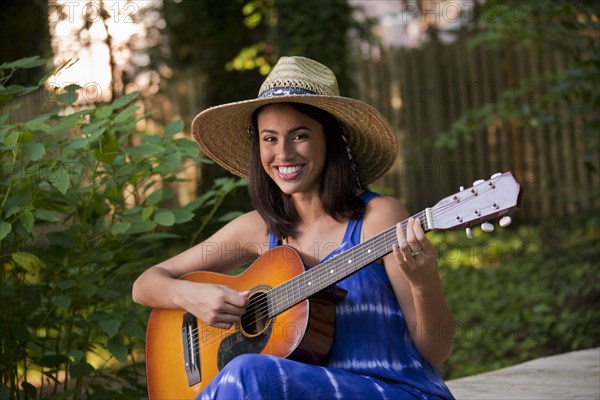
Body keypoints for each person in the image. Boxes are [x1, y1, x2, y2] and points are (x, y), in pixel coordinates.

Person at [132, 56, 455, 399]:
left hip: (398, 391)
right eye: (269, 138)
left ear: (329, 140)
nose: (283, 154)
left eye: (299, 135)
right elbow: (145, 284)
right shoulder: (260, 229)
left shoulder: (378, 217)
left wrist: (425, 283)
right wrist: (191, 295)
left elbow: (435, 352)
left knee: (247, 373)